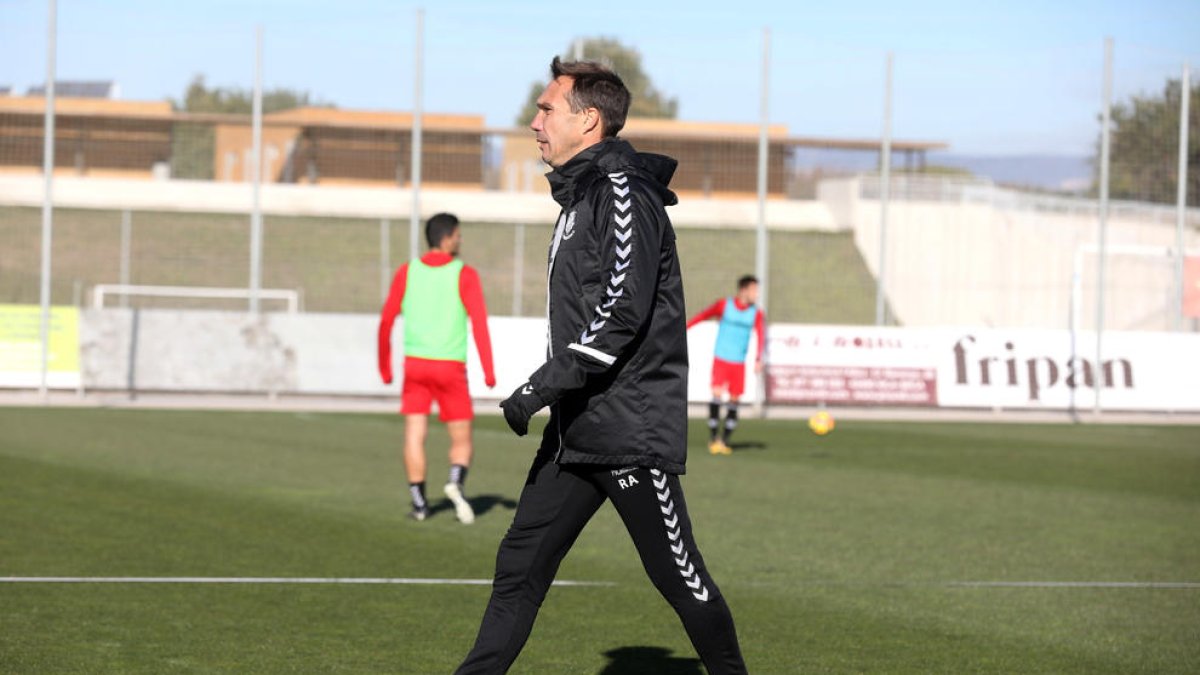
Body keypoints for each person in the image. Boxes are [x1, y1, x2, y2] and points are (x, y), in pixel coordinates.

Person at [455, 57, 746, 674]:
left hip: (628, 431)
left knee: (677, 574)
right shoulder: (582, 194)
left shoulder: (622, 193)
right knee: (520, 567)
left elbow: (620, 312)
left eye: (545, 109)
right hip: (577, 429)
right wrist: (555, 398)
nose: (534, 121)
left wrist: (539, 386)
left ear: (587, 119)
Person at [378, 212, 496, 524]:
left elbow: (387, 320)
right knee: (461, 437)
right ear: (446, 238)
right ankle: (455, 481)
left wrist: (385, 367)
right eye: (458, 235)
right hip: (450, 367)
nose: (460, 240)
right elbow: (479, 324)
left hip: (415, 366)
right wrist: (489, 370)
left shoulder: (408, 271)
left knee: (414, 435)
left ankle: (419, 504)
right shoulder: (464, 274)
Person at [686, 275, 766, 455]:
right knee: (716, 394)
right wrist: (686, 327)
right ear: (744, 290)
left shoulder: (756, 313)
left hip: (739, 363)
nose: (757, 294)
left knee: (734, 401)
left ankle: (725, 440)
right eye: (755, 290)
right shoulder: (724, 305)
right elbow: (704, 315)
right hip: (721, 359)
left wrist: (758, 359)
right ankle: (714, 438)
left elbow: (761, 335)